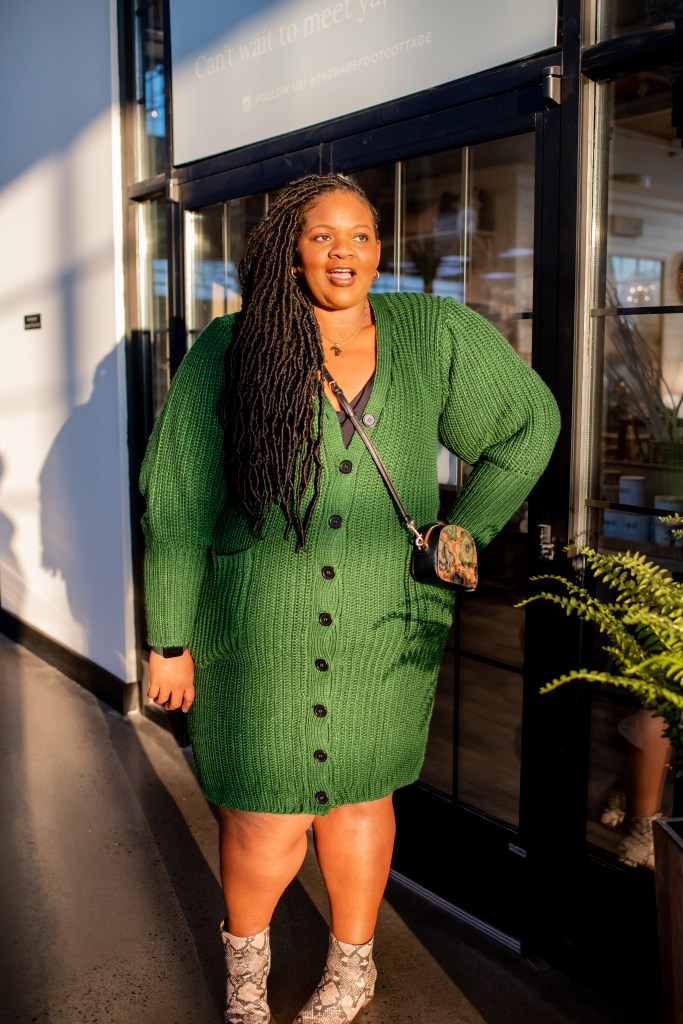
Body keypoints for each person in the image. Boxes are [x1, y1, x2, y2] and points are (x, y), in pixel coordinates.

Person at [140, 173, 561, 1024]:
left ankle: (351, 969)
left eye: (362, 236)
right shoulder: (228, 349)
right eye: (323, 236)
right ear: (289, 249)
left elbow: (528, 424)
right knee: (263, 811)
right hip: (259, 622)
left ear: (380, 248)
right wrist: (169, 636)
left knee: (363, 798)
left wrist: (466, 527)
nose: (345, 253)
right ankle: (248, 976)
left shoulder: (431, 331)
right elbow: (177, 496)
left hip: (385, 612)